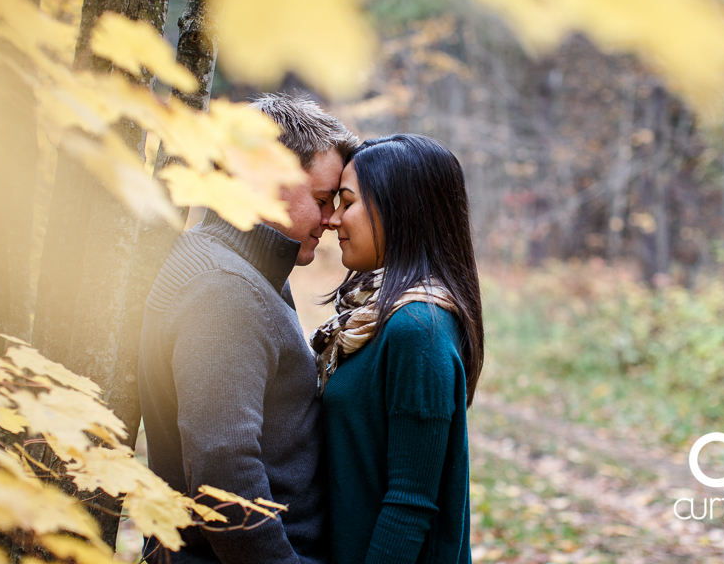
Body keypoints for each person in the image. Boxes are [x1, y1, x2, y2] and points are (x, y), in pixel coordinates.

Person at [138, 94, 357, 564]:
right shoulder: (224, 289)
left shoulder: (232, 265)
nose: (330, 219)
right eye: (321, 200)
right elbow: (224, 470)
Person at [310, 134, 484, 564]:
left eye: (347, 203)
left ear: (398, 212)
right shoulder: (375, 318)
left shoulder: (417, 330)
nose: (333, 221)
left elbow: (410, 505)